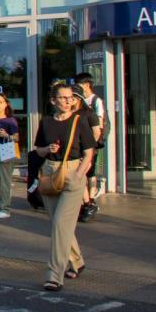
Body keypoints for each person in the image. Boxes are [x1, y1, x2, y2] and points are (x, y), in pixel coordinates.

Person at [34, 82, 97, 291]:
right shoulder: (46, 122)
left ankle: (54, 274)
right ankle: (77, 261)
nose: (67, 101)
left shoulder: (80, 121)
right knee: (58, 225)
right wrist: (47, 149)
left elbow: (89, 152)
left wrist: (79, 174)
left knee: (61, 224)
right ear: (53, 100)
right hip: (51, 172)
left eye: (70, 97)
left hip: (73, 173)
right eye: (62, 97)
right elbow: (38, 150)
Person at [74, 73, 106, 223]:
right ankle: (85, 203)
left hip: (88, 147)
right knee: (80, 175)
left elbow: (97, 126)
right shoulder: (73, 110)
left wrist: (90, 148)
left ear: (87, 84)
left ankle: (90, 201)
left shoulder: (95, 102)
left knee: (88, 174)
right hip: (78, 147)